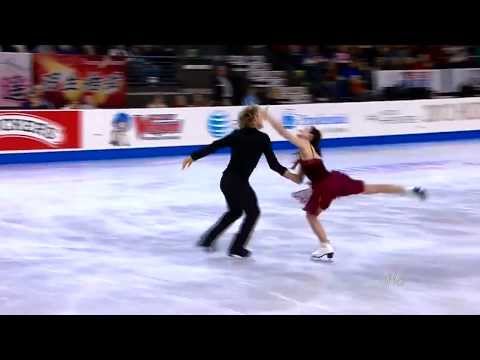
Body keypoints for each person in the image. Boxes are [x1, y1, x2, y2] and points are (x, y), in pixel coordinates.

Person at [263, 110, 427, 261]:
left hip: (325, 186)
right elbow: (298, 179)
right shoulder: (304, 152)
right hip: (334, 182)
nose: (302, 129)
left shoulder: (305, 145)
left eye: (306, 129)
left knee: (311, 216)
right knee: (371, 188)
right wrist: (279, 169)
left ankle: (325, 245)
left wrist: (267, 115)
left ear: (310, 136)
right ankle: (408, 191)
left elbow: (283, 133)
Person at [181, 106, 296, 258]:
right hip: (237, 182)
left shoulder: (238, 135)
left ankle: (208, 239)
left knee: (235, 212)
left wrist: (193, 156)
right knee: (253, 213)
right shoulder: (262, 138)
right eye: (261, 116)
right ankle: (237, 247)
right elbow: (274, 165)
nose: (263, 118)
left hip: (227, 181)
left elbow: (215, 145)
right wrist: (292, 176)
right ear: (253, 119)